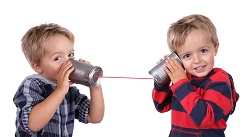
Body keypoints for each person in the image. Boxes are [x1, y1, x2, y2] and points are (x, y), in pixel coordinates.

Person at [151, 14, 239, 137]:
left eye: (203, 51)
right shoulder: (183, 80)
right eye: (187, 56)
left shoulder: (220, 80)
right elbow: (161, 106)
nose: (196, 60)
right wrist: (164, 79)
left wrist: (181, 83)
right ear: (178, 59)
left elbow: (205, 118)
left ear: (215, 48)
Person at [13, 23, 105, 137]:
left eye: (70, 54)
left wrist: (95, 86)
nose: (68, 62)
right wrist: (61, 90)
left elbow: (94, 117)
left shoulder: (70, 91)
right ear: (38, 67)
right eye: (57, 58)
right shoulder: (32, 84)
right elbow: (32, 124)